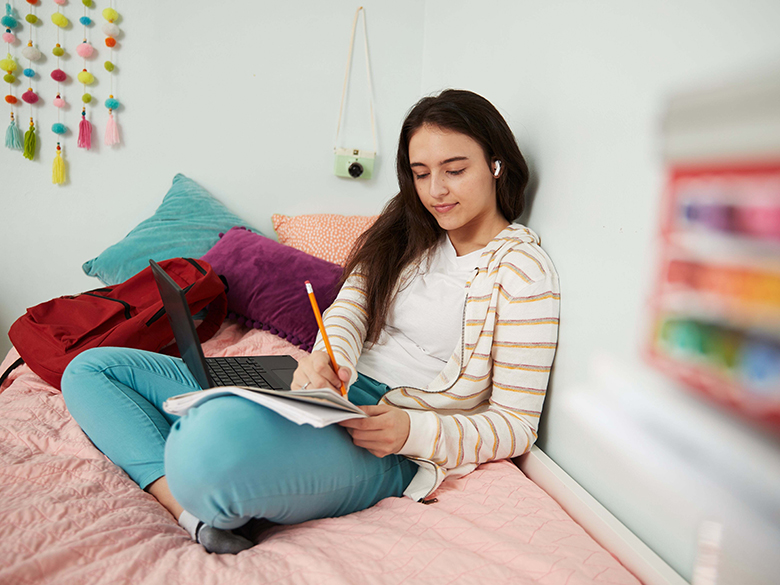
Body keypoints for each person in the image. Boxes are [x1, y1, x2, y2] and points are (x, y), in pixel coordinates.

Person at [61, 89, 560, 554]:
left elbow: (517, 425)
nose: (436, 191)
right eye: (420, 172)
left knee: (207, 445)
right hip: (326, 392)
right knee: (89, 369)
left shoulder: (522, 272)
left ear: (496, 165)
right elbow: (351, 307)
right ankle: (183, 505)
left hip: (383, 434)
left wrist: (413, 432)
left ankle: (212, 448)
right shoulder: (408, 229)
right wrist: (331, 356)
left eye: (454, 170)